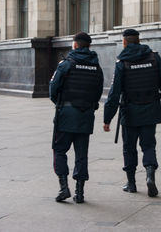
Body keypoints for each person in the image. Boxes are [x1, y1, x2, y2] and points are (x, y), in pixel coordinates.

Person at [103, 29, 161, 197]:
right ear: (139, 40)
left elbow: (114, 93)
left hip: (130, 111)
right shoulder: (154, 57)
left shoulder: (122, 62)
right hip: (151, 108)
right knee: (148, 145)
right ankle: (150, 175)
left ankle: (131, 183)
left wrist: (107, 118)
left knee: (129, 148)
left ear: (124, 42)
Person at [50, 32, 104, 203]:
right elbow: (98, 92)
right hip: (85, 116)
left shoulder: (65, 65)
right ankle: (79, 193)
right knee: (81, 154)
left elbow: (53, 90)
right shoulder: (96, 68)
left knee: (59, 150)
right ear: (89, 46)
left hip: (65, 114)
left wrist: (61, 103)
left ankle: (64, 187)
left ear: (75, 45)